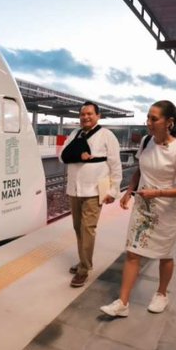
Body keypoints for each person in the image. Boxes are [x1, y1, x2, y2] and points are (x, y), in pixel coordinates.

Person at [100, 100, 176, 317]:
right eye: (148, 117)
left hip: (165, 212)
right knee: (132, 252)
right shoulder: (146, 141)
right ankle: (123, 303)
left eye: (154, 118)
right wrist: (129, 191)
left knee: (164, 254)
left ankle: (161, 294)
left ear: (169, 122)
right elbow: (139, 171)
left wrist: (157, 192)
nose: (148, 122)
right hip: (142, 207)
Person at [60, 102, 122, 288]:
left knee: (88, 229)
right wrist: (79, 155)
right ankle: (83, 260)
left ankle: (84, 269)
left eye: (89, 114)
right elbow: (62, 155)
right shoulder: (74, 134)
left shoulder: (107, 136)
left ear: (98, 116)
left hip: (94, 191)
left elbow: (115, 165)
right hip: (74, 189)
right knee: (78, 228)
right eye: (82, 114)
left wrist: (113, 190)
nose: (85, 117)